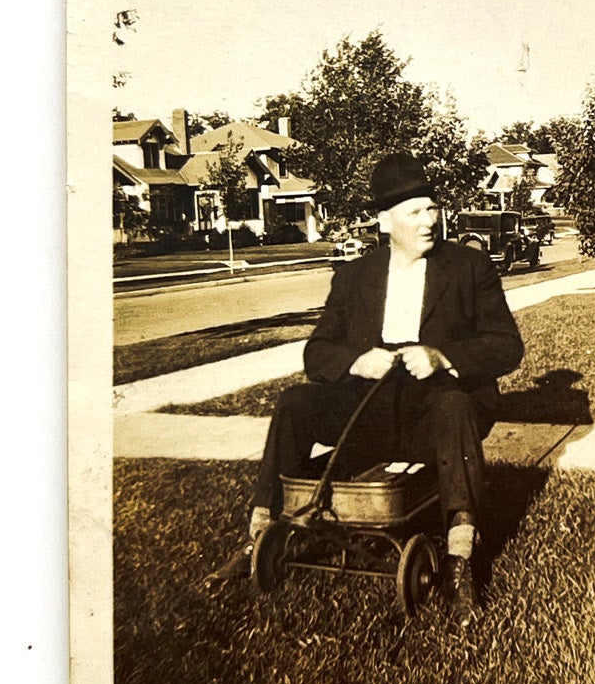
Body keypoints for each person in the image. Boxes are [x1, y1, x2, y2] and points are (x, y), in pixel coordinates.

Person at [210, 152, 525, 620]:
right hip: (370, 407)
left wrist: (444, 358)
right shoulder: (355, 276)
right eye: (414, 212)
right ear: (385, 221)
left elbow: (507, 346)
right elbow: (316, 353)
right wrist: (358, 361)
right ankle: (259, 533)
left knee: (455, 404)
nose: (430, 221)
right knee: (296, 403)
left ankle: (460, 556)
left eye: (432, 208)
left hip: (437, 407)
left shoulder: (467, 268)